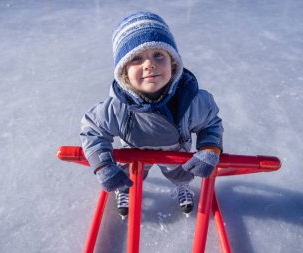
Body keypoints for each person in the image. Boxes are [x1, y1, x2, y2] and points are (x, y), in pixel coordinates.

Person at [80, 11, 223, 217]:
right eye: (137, 59)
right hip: (134, 154)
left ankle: (183, 187)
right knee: (128, 175)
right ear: (123, 72)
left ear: (173, 63)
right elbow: (92, 129)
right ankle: (124, 189)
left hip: (176, 153)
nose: (149, 64)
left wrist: (209, 149)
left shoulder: (192, 100)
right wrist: (103, 164)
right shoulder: (117, 107)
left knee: (182, 174)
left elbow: (210, 124)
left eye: (158, 55)